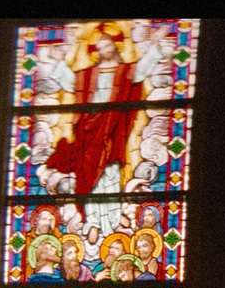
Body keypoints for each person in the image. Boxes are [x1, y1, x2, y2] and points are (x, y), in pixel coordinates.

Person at [38, 21, 171, 195]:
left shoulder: (124, 71)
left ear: (116, 45)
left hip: (113, 128)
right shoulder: (88, 74)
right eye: (100, 47)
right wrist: (60, 63)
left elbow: (141, 70)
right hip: (89, 130)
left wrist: (154, 45)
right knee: (86, 169)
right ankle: (90, 218)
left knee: (110, 169)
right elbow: (73, 84)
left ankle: (112, 217)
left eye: (107, 45)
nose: (104, 50)